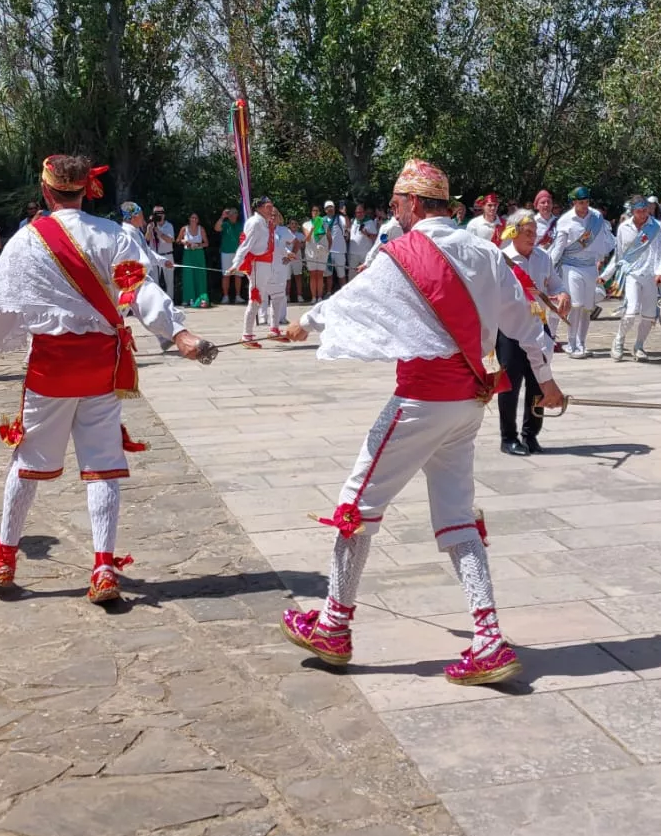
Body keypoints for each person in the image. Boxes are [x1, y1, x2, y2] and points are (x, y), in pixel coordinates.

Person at [278, 159, 565, 686]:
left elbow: (349, 301)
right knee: (457, 517)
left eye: (395, 205)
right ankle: (488, 640)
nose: (394, 213)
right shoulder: (486, 251)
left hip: (420, 400)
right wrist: (546, 381)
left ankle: (334, 625)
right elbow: (525, 322)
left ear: (412, 204)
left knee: (355, 505)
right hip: (468, 403)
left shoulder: (399, 253)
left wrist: (303, 323)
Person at [0, 154, 215, 599]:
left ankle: (4, 558)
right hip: (102, 364)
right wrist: (177, 333)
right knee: (103, 467)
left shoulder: (26, 241)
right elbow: (140, 291)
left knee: (26, 463)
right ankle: (104, 568)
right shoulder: (115, 235)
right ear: (87, 190)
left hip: (51, 367)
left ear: (46, 191)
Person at [497, 210, 567, 456]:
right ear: (514, 232)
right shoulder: (502, 259)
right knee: (509, 385)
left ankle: (531, 435)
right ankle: (508, 437)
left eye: (534, 233)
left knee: (539, 383)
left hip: (538, 328)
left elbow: (555, 283)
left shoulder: (543, 257)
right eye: (527, 233)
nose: (532, 237)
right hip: (511, 330)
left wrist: (563, 294)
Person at [547, 187, 613, 358]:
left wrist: (601, 257)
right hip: (571, 265)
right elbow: (559, 246)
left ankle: (582, 342)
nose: (584, 206)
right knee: (575, 304)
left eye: (587, 202)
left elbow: (605, 241)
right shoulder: (566, 220)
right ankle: (571, 343)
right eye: (580, 202)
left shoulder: (596, 217)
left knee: (587, 307)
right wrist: (549, 269)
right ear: (574, 202)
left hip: (590, 266)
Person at [610, 196, 661, 361]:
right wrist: (610, 274)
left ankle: (639, 345)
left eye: (644, 210)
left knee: (649, 314)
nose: (642, 214)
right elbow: (619, 254)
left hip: (651, 275)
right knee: (631, 310)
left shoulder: (658, 228)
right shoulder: (623, 228)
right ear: (632, 211)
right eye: (638, 211)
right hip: (632, 274)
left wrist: (660, 272)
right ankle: (619, 340)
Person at [235, 197, 288, 344]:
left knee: (278, 295)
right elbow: (246, 244)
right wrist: (236, 263)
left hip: (269, 266)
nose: (271, 211)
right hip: (258, 265)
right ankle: (247, 335)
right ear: (259, 208)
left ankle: (274, 329)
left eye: (272, 207)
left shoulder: (267, 224)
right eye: (268, 207)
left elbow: (274, 245)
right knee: (256, 299)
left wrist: (287, 253)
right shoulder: (255, 223)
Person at [303, 203, 335, 301]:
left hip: (322, 253)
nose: (315, 213)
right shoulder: (306, 224)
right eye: (314, 211)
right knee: (313, 275)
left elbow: (330, 239)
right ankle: (313, 297)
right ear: (311, 213)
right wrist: (313, 229)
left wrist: (327, 251)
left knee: (320, 275)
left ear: (320, 213)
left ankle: (320, 297)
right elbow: (307, 239)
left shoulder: (324, 224)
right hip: (311, 252)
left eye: (317, 211)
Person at [178, 211, 211, 307]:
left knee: (200, 276)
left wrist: (197, 245)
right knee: (188, 276)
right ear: (189, 219)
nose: (194, 219)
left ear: (198, 220)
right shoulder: (184, 229)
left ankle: (201, 299)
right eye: (192, 217)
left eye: (196, 218)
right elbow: (178, 240)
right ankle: (187, 299)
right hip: (188, 254)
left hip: (199, 254)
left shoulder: (201, 229)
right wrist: (184, 241)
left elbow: (206, 243)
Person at [217, 207, 243, 304]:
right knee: (226, 275)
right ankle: (226, 296)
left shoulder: (241, 225)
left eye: (234, 213)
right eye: (230, 214)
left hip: (238, 253)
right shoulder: (225, 224)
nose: (232, 215)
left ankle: (238, 296)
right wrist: (222, 217)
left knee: (238, 275)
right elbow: (217, 228)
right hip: (226, 252)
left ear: (237, 215)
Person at [347, 202, 378, 275]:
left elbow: (376, 238)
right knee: (351, 275)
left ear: (364, 212)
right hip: (353, 254)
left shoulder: (370, 222)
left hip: (364, 254)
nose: (359, 214)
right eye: (357, 212)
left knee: (365, 275)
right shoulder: (353, 221)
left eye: (361, 212)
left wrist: (367, 234)